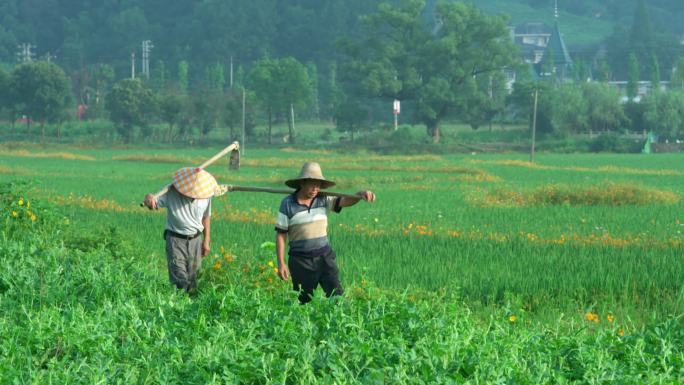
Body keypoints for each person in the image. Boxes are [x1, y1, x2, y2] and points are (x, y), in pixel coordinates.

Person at [275, 162, 375, 304]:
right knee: (303, 301)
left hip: (324, 257)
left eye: (319, 184)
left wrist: (359, 195)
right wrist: (281, 263)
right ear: (302, 183)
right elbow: (281, 234)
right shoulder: (288, 203)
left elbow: (344, 201)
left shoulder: (323, 198)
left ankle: (341, 324)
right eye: (312, 184)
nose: (316, 188)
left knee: (337, 296)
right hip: (300, 261)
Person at [144, 167, 217, 294]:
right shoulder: (172, 191)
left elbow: (206, 217)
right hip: (176, 240)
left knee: (194, 278)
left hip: (195, 240)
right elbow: (153, 204)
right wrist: (149, 198)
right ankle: (178, 307)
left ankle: (191, 307)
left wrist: (206, 240)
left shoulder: (205, 194)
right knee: (179, 278)